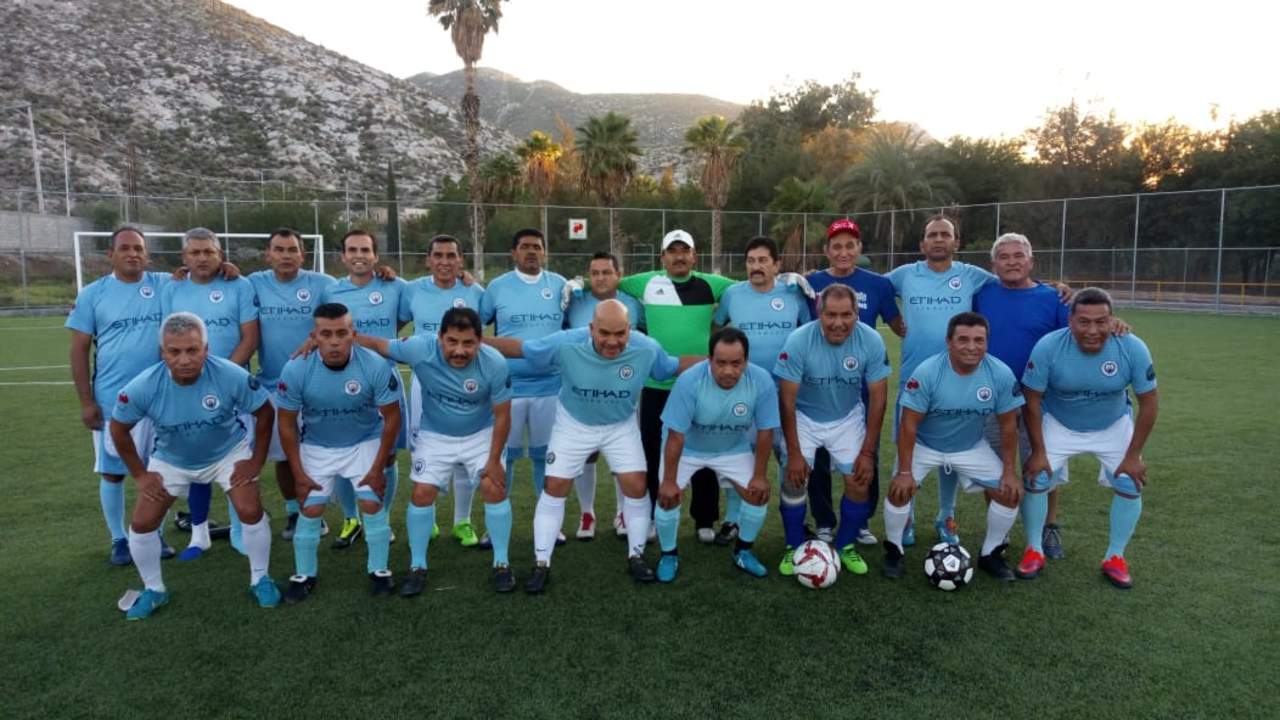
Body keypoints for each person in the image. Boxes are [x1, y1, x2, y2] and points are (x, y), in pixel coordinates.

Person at [484, 300, 697, 593]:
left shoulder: (647, 348)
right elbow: (522, 349)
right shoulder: (566, 343)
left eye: (620, 334)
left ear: (630, 329)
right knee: (555, 486)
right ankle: (542, 562)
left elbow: (671, 367)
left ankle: (636, 555)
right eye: (604, 333)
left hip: (620, 426)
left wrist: (719, 361)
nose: (612, 341)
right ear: (591, 329)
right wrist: (476, 341)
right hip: (574, 424)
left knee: (636, 486)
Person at [110, 312, 280, 619]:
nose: (184, 359)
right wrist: (140, 474)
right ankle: (154, 590)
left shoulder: (230, 374)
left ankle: (260, 578)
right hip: (171, 460)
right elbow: (118, 428)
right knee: (142, 522)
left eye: (192, 350)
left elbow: (265, 412)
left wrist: (255, 461)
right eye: (174, 351)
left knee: (249, 509)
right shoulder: (143, 385)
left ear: (206, 349)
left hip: (228, 453)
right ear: (162, 352)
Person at [357, 307, 517, 594]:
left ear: (480, 341)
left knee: (493, 486)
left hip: (480, 433)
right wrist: (335, 339)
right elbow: (378, 344)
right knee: (421, 493)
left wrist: (494, 460)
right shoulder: (419, 348)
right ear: (440, 337)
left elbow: (503, 415)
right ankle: (418, 566)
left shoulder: (494, 363)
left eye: (468, 343)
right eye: (452, 341)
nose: (459, 350)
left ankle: (502, 563)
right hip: (435, 434)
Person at [1016, 288, 1159, 589]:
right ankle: (1033, 549)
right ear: (1070, 321)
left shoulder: (1132, 347)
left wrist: (1134, 456)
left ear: (1112, 321)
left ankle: (1115, 557)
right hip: (1059, 422)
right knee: (1037, 477)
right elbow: (1032, 399)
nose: (1092, 330)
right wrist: (1038, 451)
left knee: (1129, 482)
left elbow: (1149, 403)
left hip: (1112, 424)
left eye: (1101, 322)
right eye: (1084, 322)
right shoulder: (1049, 346)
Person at [883, 312, 1024, 581]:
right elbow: (908, 424)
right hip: (926, 445)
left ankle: (991, 554)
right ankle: (894, 551)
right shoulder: (927, 372)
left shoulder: (1000, 373)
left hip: (970, 447)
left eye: (979, 340)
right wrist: (904, 472)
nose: (972, 347)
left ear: (987, 342)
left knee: (1009, 493)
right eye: (963, 339)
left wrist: (1009, 471)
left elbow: (1008, 426)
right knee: (898, 491)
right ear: (949, 342)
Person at [276, 303, 403, 601]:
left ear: (353, 334)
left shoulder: (374, 365)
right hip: (318, 444)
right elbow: (286, 424)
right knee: (310, 508)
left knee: (371, 502)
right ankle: (304, 574)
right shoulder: (296, 368)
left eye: (342, 333)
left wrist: (379, 466)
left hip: (364, 440)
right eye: (326, 334)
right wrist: (298, 473)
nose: (334, 342)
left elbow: (392, 418)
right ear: (314, 336)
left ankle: (379, 571)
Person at [66, 227, 174, 565]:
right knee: (113, 471)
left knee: (160, 469)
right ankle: (118, 539)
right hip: (112, 399)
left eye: (139, 248)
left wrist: (226, 269)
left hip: (160, 398)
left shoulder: (164, 284)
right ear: (110, 255)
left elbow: (200, 276)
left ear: (147, 254)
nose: (132, 254)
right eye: (125, 248)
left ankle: (154, 533)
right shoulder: (93, 294)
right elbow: (79, 350)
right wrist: (86, 402)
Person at [774, 285, 891, 577]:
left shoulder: (871, 340)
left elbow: (878, 398)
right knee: (794, 480)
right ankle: (793, 546)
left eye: (846, 315)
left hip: (846, 418)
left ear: (857, 314)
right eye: (831, 315)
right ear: (819, 313)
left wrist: (868, 453)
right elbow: (786, 401)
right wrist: (795, 453)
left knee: (859, 481)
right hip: (804, 416)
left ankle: (845, 545)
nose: (839, 323)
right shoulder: (799, 340)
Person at [804, 218, 904, 546]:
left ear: (859, 248)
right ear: (826, 250)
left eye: (850, 245)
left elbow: (899, 325)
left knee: (866, 454)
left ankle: (860, 522)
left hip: (862, 387)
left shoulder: (878, 284)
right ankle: (824, 521)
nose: (844, 252)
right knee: (818, 458)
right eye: (837, 246)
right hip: (819, 386)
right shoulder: (810, 283)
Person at [161, 227, 258, 561]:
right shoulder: (171, 288)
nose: (202, 258)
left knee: (237, 461)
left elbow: (249, 337)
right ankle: (199, 534)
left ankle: (239, 531)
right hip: (186, 387)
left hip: (233, 388)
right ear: (184, 258)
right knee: (196, 457)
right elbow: (165, 340)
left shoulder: (239, 285)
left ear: (221, 256)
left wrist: (222, 378)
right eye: (195, 252)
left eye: (209, 252)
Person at [972, 232, 1071, 559]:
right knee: (994, 466)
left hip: (1039, 399)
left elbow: (1075, 335)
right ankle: (998, 531)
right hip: (992, 396)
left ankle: (1048, 527)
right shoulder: (982, 295)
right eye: (1004, 257)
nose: (1012, 262)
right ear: (993, 264)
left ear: (1031, 262)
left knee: (1042, 464)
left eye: (1019, 256)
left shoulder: (1054, 298)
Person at [655, 327, 778, 581]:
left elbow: (766, 431)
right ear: (709, 359)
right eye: (721, 363)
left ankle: (743, 552)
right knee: (667, 497)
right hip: (688, 448)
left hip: (732, 448)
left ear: (746, 361)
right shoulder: (689, 380)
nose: (728, 371)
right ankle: (669, 555)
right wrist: (668, 481)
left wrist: (760, 475)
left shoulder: (761, 380)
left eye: (736, 363)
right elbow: (676, 435)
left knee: (757, 495)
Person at [711, 236, 810, 545]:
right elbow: (716, 327)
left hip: (786, 393)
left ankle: (795, 521)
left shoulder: (793, 293)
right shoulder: (732, 294)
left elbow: (810, 330)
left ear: (777, 265)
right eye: (751, 261)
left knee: (789, 457)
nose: (756, 266)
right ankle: (733, 519)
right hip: (744, 392)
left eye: (763, 260)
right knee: (740, 455)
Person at [318, 229, 411, 551]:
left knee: (388, 454)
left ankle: (380, 518)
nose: (359, 256)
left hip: (384, 379)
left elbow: (403, 320)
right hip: (340, 381)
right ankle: (351, 518)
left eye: (365, 250)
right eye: (353, 250)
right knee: (343, 451)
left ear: (375, 255)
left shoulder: (396, 286)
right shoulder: (331, 290)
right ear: (343, 256)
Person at [479, 228, 568, 545]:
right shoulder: (497, 286)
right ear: (513, 252)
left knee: (547, 458)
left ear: (545, 252)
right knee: (504, 458)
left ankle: (551, 525)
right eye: (525, 247)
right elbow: (476, 325)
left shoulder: (560, 285)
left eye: (537, 247)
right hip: (509, 389)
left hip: (550, 387)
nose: (531, 252)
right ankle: (495, 526)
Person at [248, 228, 336, 540]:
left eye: (292, 250)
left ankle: (318, 511)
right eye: (279, 249)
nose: (286, 255)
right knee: (285, 456)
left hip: (318, 384)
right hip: (274, 386)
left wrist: (315, 337)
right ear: (268, 254)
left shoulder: (323, 284)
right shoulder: (253, 283)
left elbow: (344, 310)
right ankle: (294, 512)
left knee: (321, 452)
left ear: (303, 254)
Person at [399, 234, 486, 547]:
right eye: (438, 255)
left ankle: (463, 521)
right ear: (428, 259)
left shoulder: (475, 292)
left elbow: (486, 331)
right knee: (424, 448)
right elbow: (394, 327)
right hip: (425, 384)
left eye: (451, 256)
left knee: (465, 451)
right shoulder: (411, 290)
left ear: (461, 260)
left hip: (467, 383)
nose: (445, 262)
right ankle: (430, 519)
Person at [563, 251, 645, 540]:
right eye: (595, 273)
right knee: (587, 455)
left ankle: (622, 512)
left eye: (606, 272)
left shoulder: (633, 304)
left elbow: (642, 342)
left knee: (623, 454)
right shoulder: (575, 302)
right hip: (582, 393)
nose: (600, 278)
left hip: (623, 391)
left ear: (618, 275)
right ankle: (587, 513)